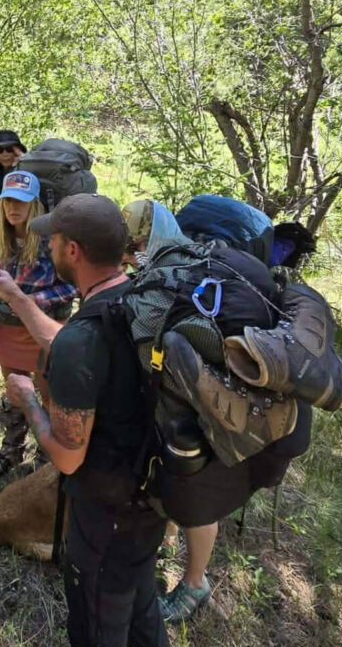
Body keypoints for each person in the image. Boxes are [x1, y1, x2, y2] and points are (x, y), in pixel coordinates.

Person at [0, 194, 168, 647]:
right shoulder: (137, 298)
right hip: (152, 499)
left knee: (98, 626)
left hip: (106, 517)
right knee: (143, 614)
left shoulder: (84, 338)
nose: (45, 247)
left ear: (73, 251)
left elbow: (67, 457)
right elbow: (71, 342)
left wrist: (28, 399)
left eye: (53, 240)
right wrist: (14, 294)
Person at [121, 198, 216, 623]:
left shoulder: (170, 269)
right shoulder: (188, 255)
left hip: (199, 406)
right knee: (174, 480)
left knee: (197, 494)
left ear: (151, 235)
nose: (134, 248)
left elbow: (145, 334)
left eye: (138, 240)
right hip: (187, 393)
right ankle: (169, 534)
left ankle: (196, 583)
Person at [0, 170, 76, 473]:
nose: (14, 208)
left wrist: (30, 301)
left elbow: (73, 286)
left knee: (48, 394)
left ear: (35, 205)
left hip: (44, 328)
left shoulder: (50, 239)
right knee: (14, 390)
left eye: (22, 202)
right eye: (9, 201)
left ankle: (47, 456)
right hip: (8, 328)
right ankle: (11, 450)